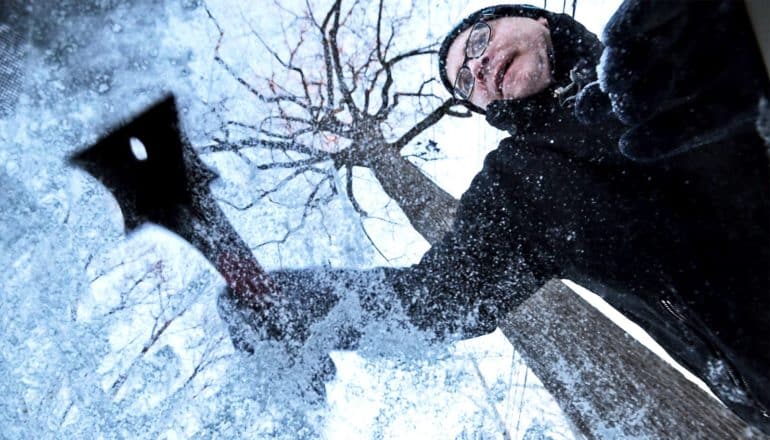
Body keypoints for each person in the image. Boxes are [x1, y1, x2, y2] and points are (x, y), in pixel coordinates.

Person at [220, 1, 770, 433]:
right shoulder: (522, 186)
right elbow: (429, 301)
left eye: (479, 41)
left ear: (533, 17)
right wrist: (283, 303)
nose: (477, 67)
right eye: (465, 83)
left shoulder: (664, 39)